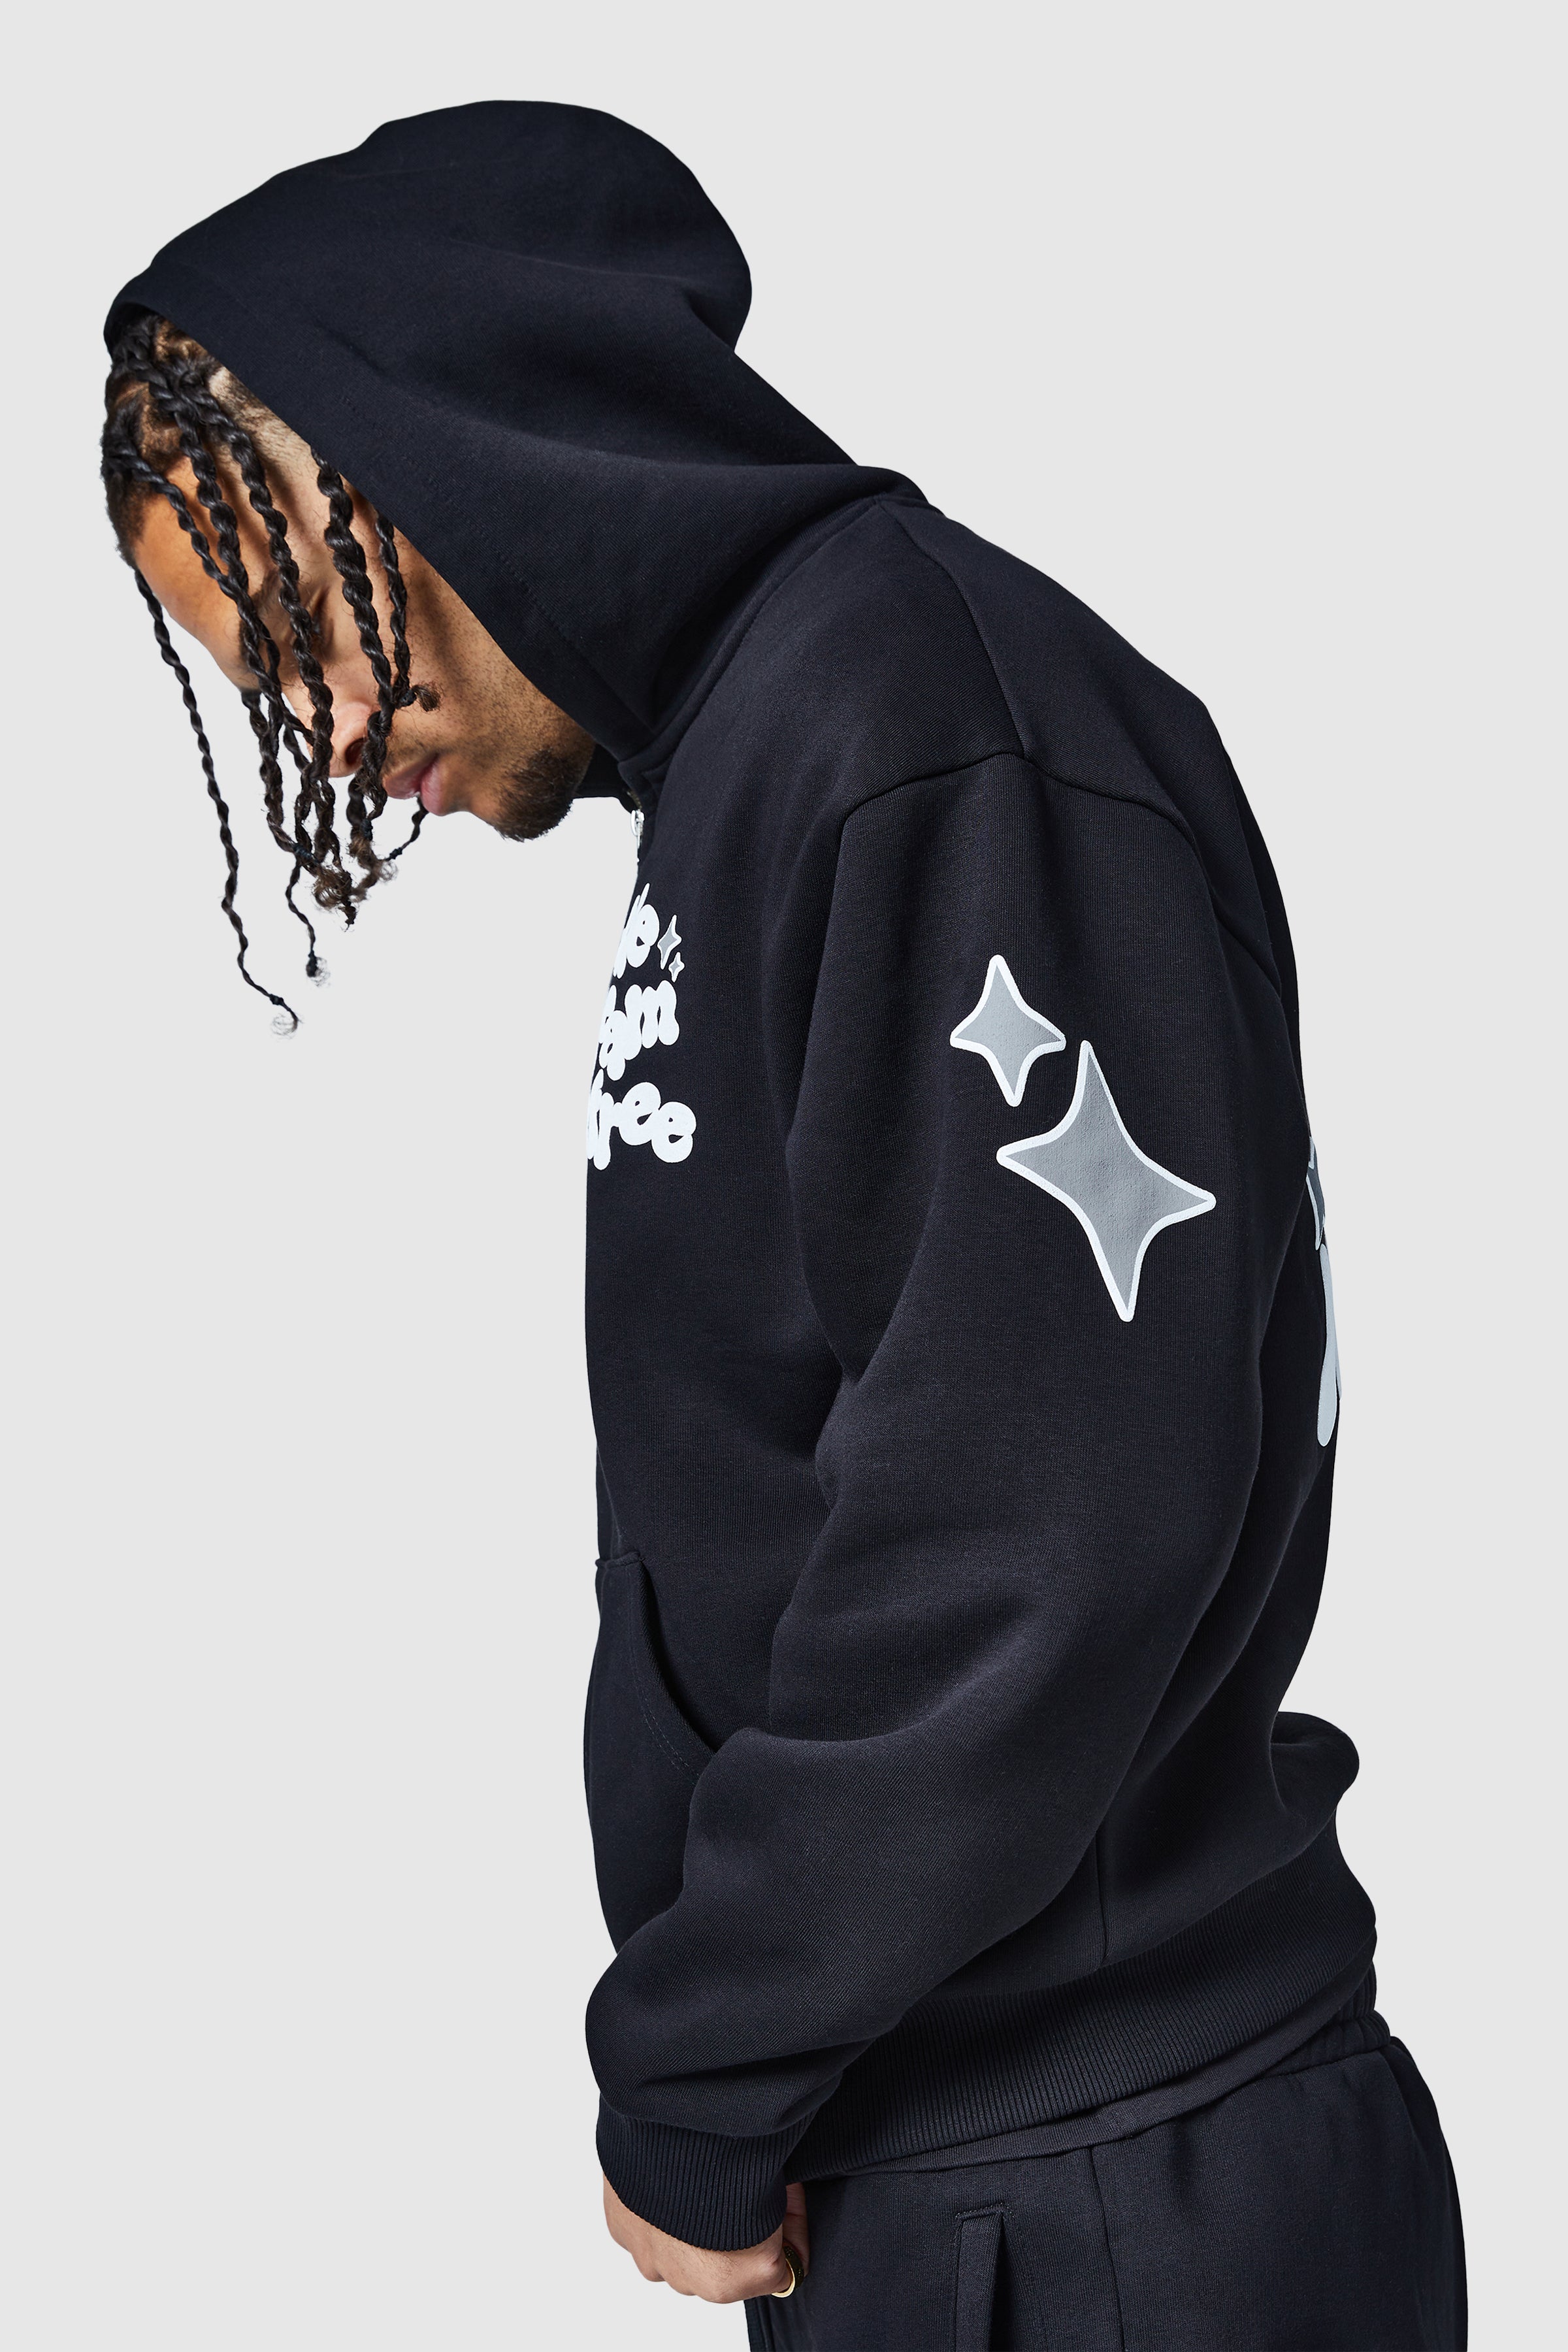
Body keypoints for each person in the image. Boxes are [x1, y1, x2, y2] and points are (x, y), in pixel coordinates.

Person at [101, 101, 1465, 2349]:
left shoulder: (920, 725)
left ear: (459, 457)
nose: (330, 733)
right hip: (970, 2164)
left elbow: (1035, 1521)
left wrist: (702, 2068)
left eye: (311, 620)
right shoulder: (779, 748)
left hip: (1092, 2192)